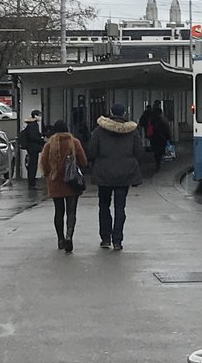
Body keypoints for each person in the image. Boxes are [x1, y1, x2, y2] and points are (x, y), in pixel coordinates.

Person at [87, 103, 142, 251]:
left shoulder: (99, 130)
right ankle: (117, 240)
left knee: (104, 205)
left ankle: (105, 238)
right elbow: (139, 152)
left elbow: (91, 152)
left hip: (104, 174)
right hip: (125, 174)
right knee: (120, 207)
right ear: (124, 113)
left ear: (110, 112)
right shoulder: (132, 131)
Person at [39, 120, 88, 253]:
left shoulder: (50, 144)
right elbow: (83, 161)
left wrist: (49, 174)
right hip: (72, 182)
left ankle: (60, 239)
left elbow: (43, 163)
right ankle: (69, 236)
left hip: (55, 182)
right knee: (71, 211)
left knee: (58, 211)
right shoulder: (74, 142)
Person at [138, 101, 171, 172]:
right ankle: (158, 162)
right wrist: (168, 137)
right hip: (161, 138)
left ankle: (157, 162)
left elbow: (143, 123)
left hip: (153, 137)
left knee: (156, 150)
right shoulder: (162, 119)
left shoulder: (151, 118)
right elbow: (166, 129)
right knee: (160, 150)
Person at [19, 110, 45, 189]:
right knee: (33, 165)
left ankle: (32, 182)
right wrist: (41, 139)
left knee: (32, 165)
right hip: (33, 148)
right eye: (39, 115)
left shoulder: (31, 124)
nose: (40, 117)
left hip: (31, 148)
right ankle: (32, 183)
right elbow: (32, 136)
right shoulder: (33, 125)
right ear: (35, 116)